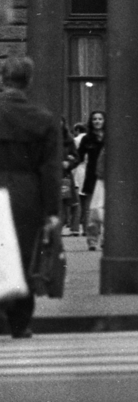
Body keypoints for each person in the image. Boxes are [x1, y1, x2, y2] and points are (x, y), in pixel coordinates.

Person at [0, 56, 63, 339]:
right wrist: (52, 211)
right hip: (27, 192)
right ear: (29, 82)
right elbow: (50, 171)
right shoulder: (43, 119)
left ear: (3, 79)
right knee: (25, 256)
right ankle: (20, 322)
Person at [78, 110, 105, 246]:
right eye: (94, 119)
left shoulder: (110, 137)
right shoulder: (87, 139)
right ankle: (92, 240)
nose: (97, 121)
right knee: (91, 210)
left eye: (100, 119)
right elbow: (79, 156)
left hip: (108, 177)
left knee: (107, 209)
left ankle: (107, 239)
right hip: (92, 177)